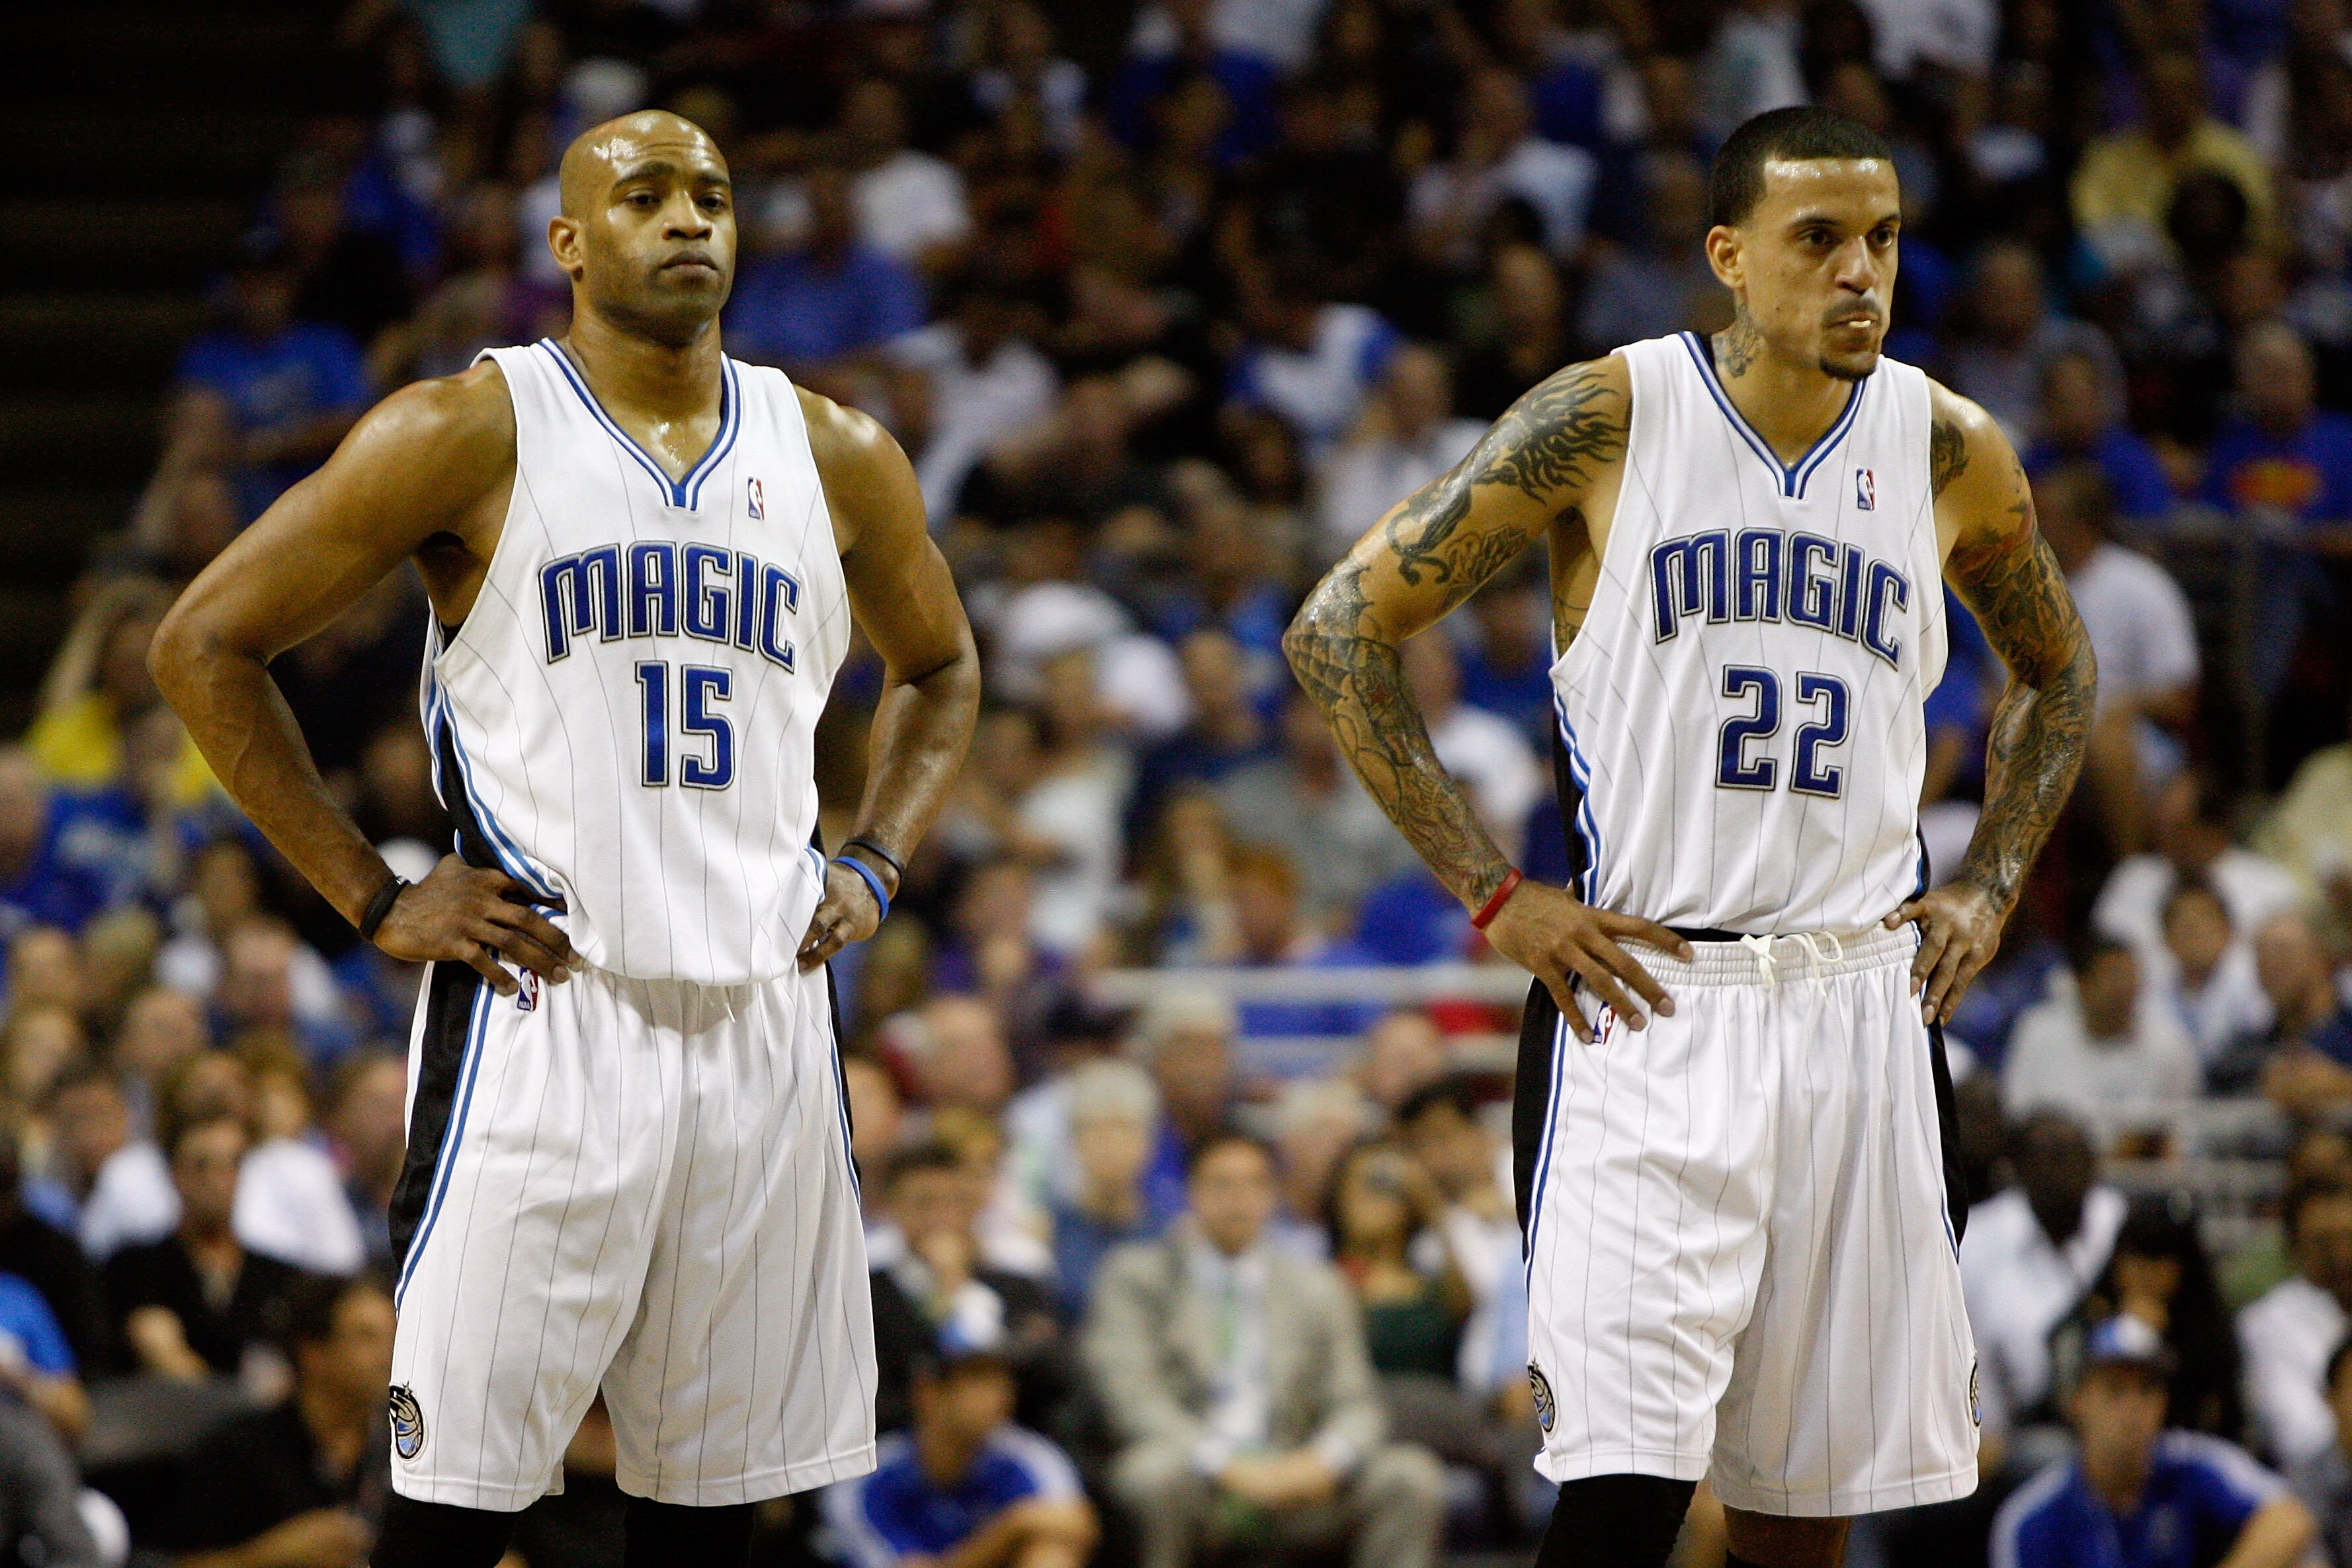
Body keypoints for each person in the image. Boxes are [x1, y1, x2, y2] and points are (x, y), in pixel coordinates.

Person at [147, 111, 982, 1567]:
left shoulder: (838, 453)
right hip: (546, 1014)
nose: (687, 221)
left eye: (713, 195)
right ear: (569, 243)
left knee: (721, 1523)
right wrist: (370, 893)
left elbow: (945, 667)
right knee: (448, 1512)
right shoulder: (465, 428)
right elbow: (203, 642)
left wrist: (874, 860)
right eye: (645, 194)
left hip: (764, 1026)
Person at [1284, 104, 2097, 1568]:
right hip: (1649, 1001)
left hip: (1860, 1003)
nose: (1861, 273)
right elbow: (1338, 625)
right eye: (1818, 241)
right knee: (1621, 1497)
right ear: (1727, 256)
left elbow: (2056, 666)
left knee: (1801, 1524)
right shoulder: (1608, 416)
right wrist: (1494, 896)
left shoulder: (1945, 449)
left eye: (1883, 240)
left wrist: (1989, 879)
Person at [1083, 1133, 1445, 1568]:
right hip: (1197, 1475)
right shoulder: (1139, 1276)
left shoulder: (1317, 1284)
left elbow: (1358, 1402)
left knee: (1409, 1475)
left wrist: (1323, 1461)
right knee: (1151, 1475)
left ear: (1273, 1195)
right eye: (1223, 1184)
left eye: (1256, 1184)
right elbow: (1132, 1396)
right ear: (1192, 1192)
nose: (1241, 1199)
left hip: (1297, 1474)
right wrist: (1225, 1464)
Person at [1991, 1315, 2313, 1568]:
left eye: (2146, 1390)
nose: (2132, 1409)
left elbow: (2290, 1518)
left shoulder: (2192, 1464)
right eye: (2115, 1390)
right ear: (2078, 1403)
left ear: (2163, 1404)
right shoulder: (2034, 1516)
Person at [163, 1272, 396, 1568]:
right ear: (313, 1353)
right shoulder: (238, 1451)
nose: (388, 1354)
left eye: (393, 1337)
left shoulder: (401, 1448)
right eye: (367, 1338)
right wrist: (267, 1557)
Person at [821, 1334, 1097, 1568]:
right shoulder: (868, 1477)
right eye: (977, 1380)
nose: (997, 1395)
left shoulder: (1025, 1455)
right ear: (927, 1391)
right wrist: (1012, 1527)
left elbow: (1076, 1524)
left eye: (1002, 1380)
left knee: (1052, 1549)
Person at [104, 1112, 306, 1387]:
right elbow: (163, 1356)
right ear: (174, 1174)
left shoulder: (281, 1276)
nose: (216, 1180)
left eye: (230, 1165)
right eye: (201, 1166)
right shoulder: (136, 1268)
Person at [2001, 931, 2200, 1128]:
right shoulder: (2037, 1030)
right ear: (2082, 983)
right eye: (2113, 976)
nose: (2124, 987)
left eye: (2130, 976)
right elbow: (2016, 1110)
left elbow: (2185, 1126)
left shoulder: (2170, 1044)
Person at [2240, 1177, 2352, 1469]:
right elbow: (2298, 1438)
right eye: (2325, 1243)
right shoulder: (2267, 1322)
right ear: (2295, 1249)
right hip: (2319, 1487)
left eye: (2350, 1238)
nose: (2343, 1256)